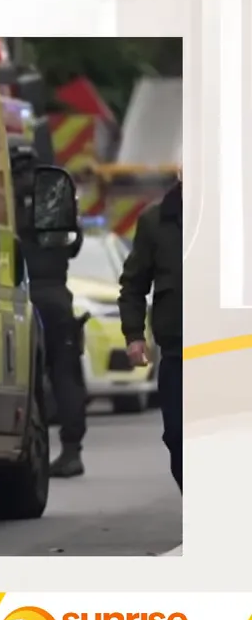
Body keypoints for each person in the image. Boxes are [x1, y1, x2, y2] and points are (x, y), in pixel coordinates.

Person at [12, 141, 88, 477]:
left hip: (18, 294)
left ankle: (27, 451)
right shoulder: (52, 192)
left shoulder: (1, 193)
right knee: (64, 372)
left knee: (21, 374)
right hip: (56, 295)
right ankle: (71, 451)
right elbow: (73, 245)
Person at [119, 177, 182, 492]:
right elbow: (133, 285)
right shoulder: (155, 221)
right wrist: (134, 335)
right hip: (178, 351)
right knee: (178, 436)